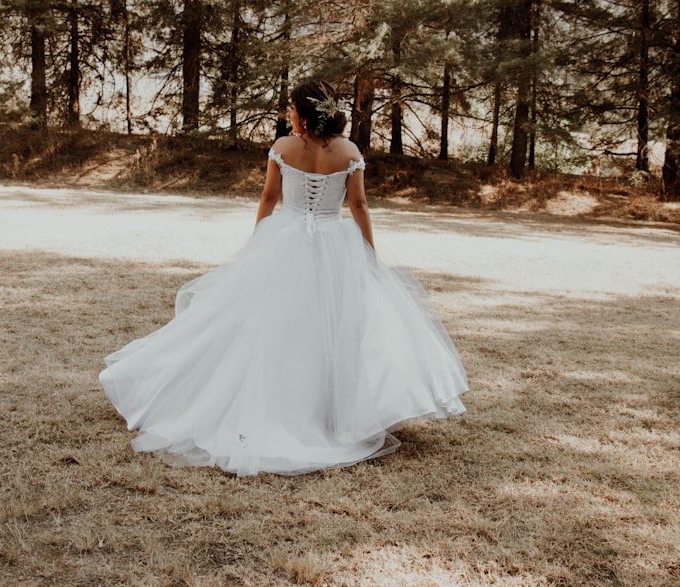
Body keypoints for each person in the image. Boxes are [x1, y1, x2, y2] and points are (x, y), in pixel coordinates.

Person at [99, 80, 468, 477]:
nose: (287, 113)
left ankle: (281, 406)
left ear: (304, 114)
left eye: (291, 107)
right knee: (333, 329)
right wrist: (368, 254)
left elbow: (269, 199)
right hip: (335, 244)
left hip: (285, 239)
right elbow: (358, 205)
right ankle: (328, 414)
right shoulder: (349, 152)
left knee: (273, 327)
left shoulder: (283, 148)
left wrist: (259, 242)